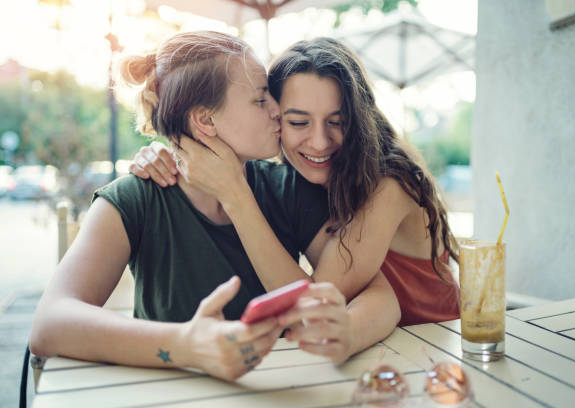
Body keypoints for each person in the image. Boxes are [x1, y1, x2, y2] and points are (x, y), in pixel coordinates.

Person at [29, 31, 400, 382]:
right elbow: (49, 324)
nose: (278, 110)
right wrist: (188, 345)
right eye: (260, 99)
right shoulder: (134, 199)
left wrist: (348, 331)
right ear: (205, 120)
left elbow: (379, 295)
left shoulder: (288, 189)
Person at [131, 37, 460, 328]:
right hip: (373, 353)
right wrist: (168, 154)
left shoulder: (391, 186)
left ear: (360, 121)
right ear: (274, 117)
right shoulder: (297, 181)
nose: (319, 142)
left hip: (430, 345)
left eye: (338, 122)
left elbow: (313, 301)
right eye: (298, 121)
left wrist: (235, 195)